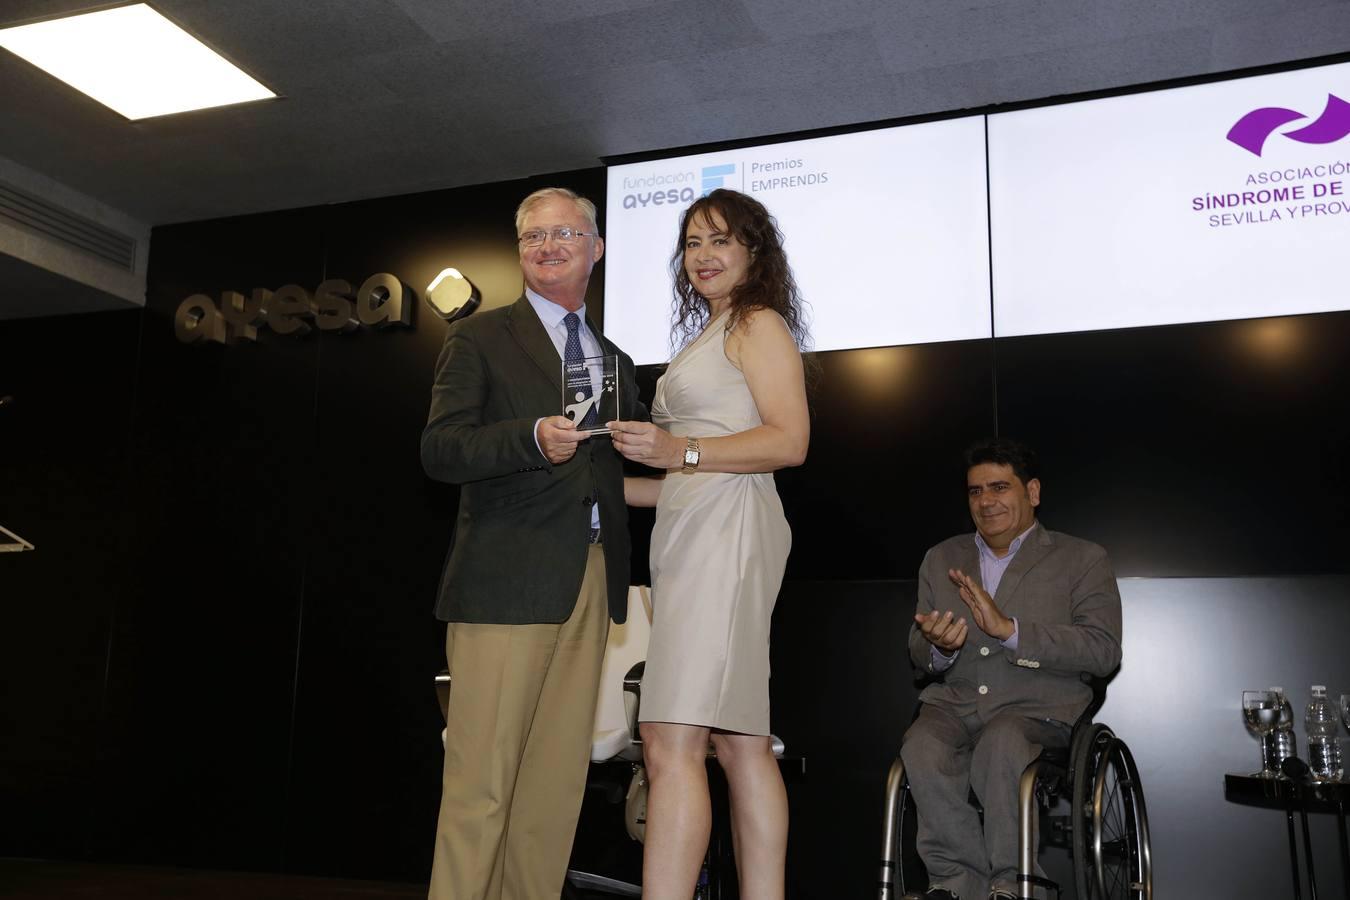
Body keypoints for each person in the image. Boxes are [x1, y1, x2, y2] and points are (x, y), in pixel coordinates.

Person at [420, 186, 644, 900]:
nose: (548, 246)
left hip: (590, 582)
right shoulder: (479, 337)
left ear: (596, 249)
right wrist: (530, 438)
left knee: (552, 794)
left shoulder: (614, 362)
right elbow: (441, 449)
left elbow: (609, 471)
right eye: (533, 237)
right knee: (481, 788)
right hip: (504, 584)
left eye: (566, 234)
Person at [608, 189, 811, 900]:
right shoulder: (711, 330)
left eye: (721, 240)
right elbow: (681, 475)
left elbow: (789, 442)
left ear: (755, 252)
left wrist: (678, 449)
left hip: (729, 532)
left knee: (671, 742)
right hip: (696, 526)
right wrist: (600, 494)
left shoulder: (757, 324)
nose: (704, 255)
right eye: (693, 243)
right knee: (739, 741)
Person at [901, 438, 1123, 900]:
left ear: (1033, 492)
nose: (985, 501)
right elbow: (919, 653)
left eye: (999, 487)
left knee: (1002, 743)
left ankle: (1014, 884)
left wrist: (1010, 630)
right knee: (921, 744)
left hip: (1038, 709)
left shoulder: (1082, 559)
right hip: (956, 703)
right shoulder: (941, 558)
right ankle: (955, 883)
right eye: (975, 491)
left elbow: (1103, 650)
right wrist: (938, 648)